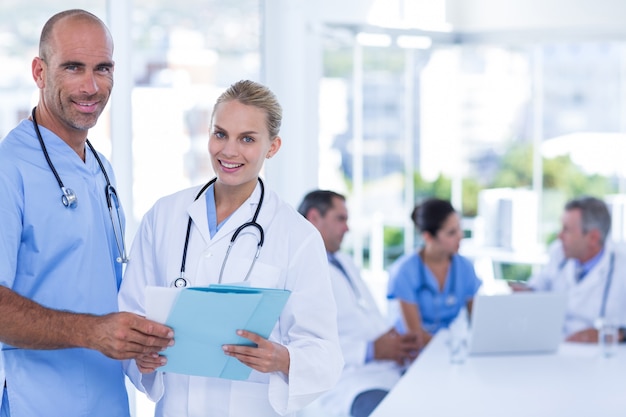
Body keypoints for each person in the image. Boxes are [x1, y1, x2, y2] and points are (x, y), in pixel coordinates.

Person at [118, 80, 343, 417]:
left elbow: (324, 350)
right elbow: (131, 313)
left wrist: (283, 358)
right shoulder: (163, 217)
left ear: (273, 146)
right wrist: (141, 355)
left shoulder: (297, 236)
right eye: (220, 134)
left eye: (247, 139)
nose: (229, 151)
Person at [0, 9, 174, 417]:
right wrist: (91, 331)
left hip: (106, 399)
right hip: (36, 403)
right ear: (39, 72)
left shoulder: (100, 168)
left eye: (103, 68)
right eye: (74, 68)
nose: (91, 86)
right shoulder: (9, 169)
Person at [298, 190, 419, 417]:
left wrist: (395, 340)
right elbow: (299, 343)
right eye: (340, 219)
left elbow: (365, 313)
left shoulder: (342, 260)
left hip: (387, 369)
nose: (347, 228)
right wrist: (370, 350)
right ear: (314, 218)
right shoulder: (297, 269)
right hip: (349, 382)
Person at [513, 196, 626, 343]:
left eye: (566, 230)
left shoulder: (620, 266)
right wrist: (525, 293)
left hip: (600, 357)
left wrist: (618, 334)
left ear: (593, 238)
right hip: (557, 348)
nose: (559, 236)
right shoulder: (558, 253)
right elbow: (538, 287)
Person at [387, 198, 481, 350]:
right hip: (412, 354)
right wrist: (454, 346)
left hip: (448, 350)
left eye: (459, 229)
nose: (460, 236)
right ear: (428, 237)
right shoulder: (405, 271)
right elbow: (415, 334)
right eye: (451, 233)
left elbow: (478, 323)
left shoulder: (465, 268)